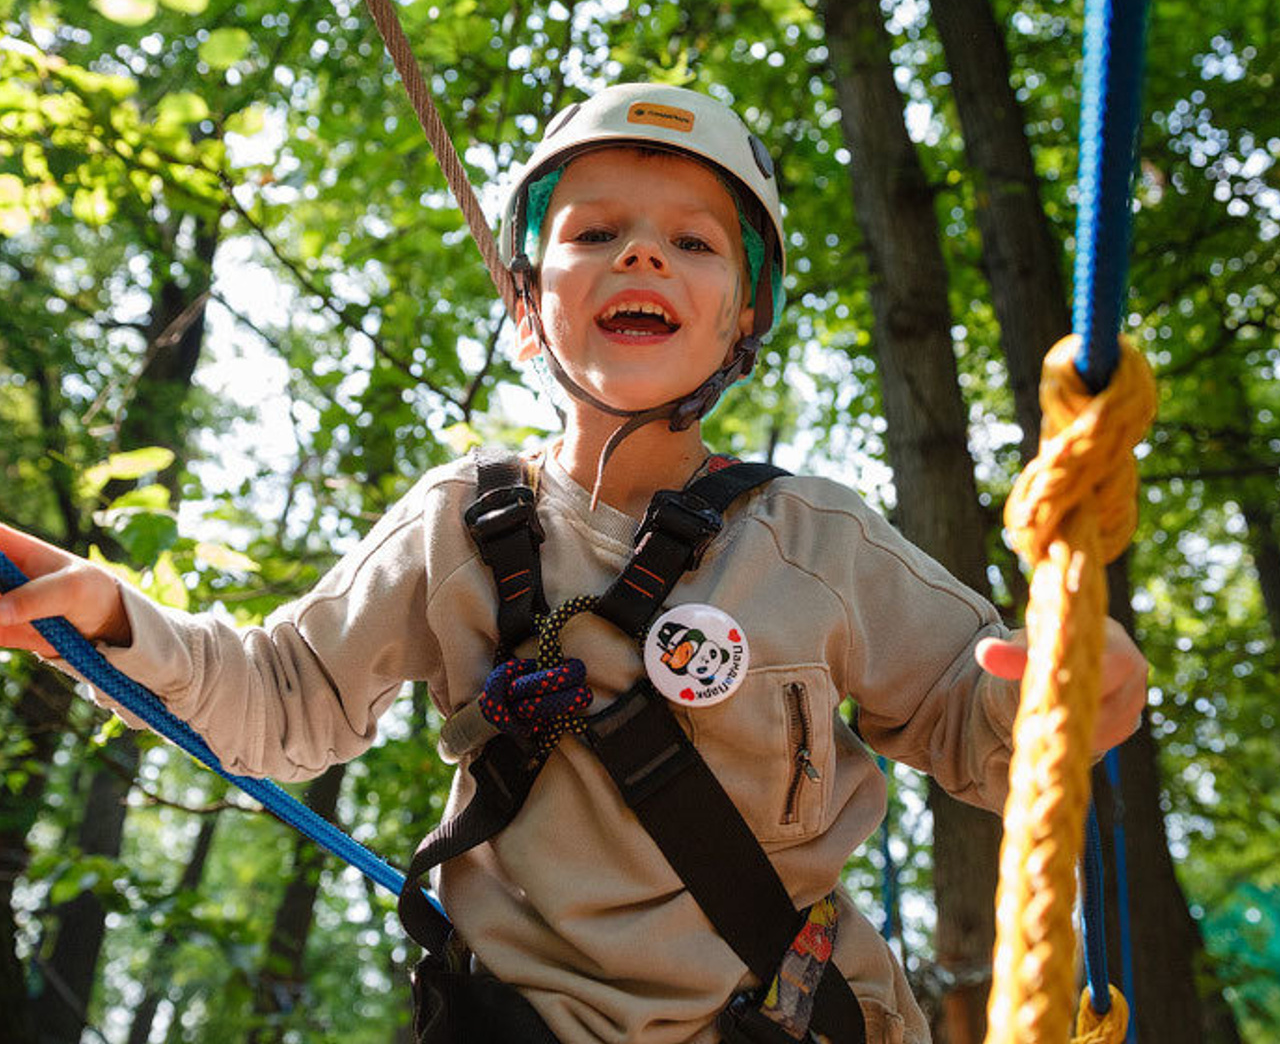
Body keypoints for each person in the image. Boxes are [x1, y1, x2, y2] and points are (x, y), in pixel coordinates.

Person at [0, 83, 1148, 1044]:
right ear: (524, 306)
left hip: (776, 1013)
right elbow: (284, 699)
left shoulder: (814, 540)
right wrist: (114, 616)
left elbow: (969, 710)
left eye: (691, 243)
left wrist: (1057, 685)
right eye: (593, 233)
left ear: (741, 321)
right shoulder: (454, 525)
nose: (640, 251)